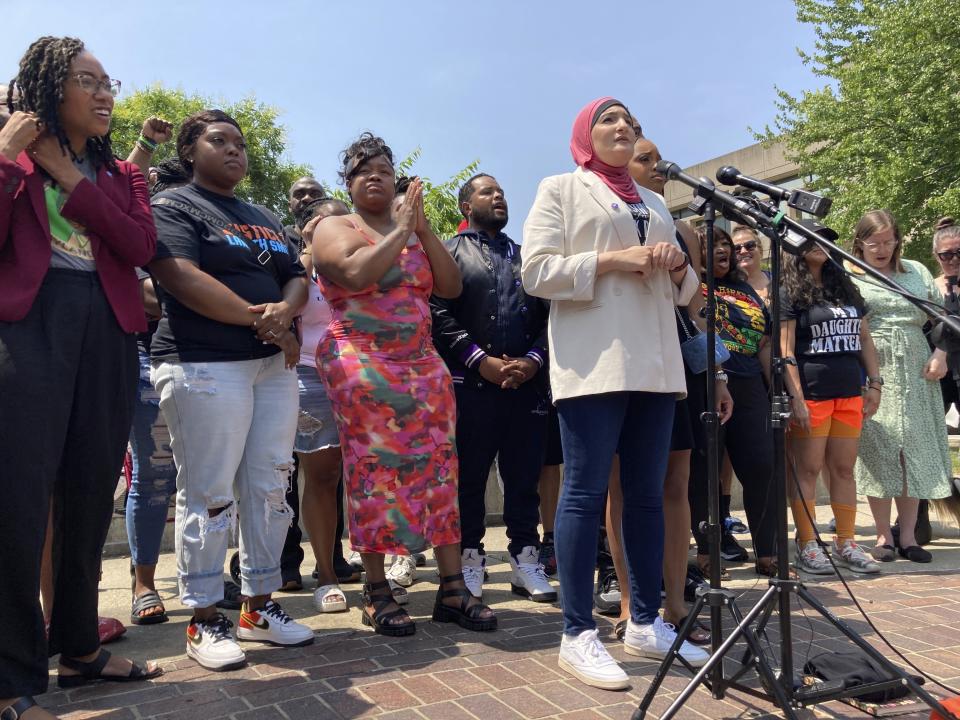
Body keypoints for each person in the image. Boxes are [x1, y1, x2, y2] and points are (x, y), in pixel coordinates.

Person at [521, 97, 707, 691]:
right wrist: (610, 259)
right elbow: (535, 271)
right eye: (610, 120)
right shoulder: (560, 189)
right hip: (595, 364)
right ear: (586, 135)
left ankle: (646, 621)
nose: (624, 127)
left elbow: (689, 294)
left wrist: (679, 268)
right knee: (583, 492)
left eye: (631, 121)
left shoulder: (655, 200)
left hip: (655, 362)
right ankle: (577, 632)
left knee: (648, 495)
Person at [1, 36, 161, 716]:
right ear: (47, 87)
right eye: (86, 80)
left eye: (108, 81)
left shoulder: (119, 174)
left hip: (108, 326)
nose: (104, 94)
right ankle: (11, 675)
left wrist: (69, 178)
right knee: (19, 500)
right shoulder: (9, 148)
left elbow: (140, 245)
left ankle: (78, 648)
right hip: (28, 326)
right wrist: (11, 155)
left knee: (91, 490)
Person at [312, 133, 496, 637]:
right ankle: (376, 592)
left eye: (384, 169)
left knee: (441, 468)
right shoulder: (334, 226)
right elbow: (354, 273)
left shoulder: (414, 229)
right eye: (363, 169)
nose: (376, 175)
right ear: (347, 182)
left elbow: (452, 286)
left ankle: (453, 588)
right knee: (373, 470)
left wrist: (425, 230)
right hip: (361, 362)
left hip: (421, 364)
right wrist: (398, 231)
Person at [149, 109, 314, 671]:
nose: (235, 151)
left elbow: (296, 273)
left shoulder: (263, 214)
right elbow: (179, 276)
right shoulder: (173, 205)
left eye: (241, 144)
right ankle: (203, 617)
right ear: (191, 151)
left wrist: (287, 310)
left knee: (271, 486)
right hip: (204, 363)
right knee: (210, 491)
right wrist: (260, 319)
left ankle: (259, 607)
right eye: (220, 141)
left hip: (271, 367)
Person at [600, 135, 733, 646]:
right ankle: (634, 602)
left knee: (676, 485)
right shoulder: (599, 217)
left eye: (657, 159)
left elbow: (695, 307)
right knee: (621, 489)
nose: (658, 168)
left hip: (673, 364)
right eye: (645, 160)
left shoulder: (679, 229)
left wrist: (717, 374)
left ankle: (674, 602)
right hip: (616, 364)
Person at [431, 173, 555, 602]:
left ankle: (524, 557)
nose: (499, 197)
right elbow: (436, 313)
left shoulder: (528, 257)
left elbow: (550, 318)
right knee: (468, 479)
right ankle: (469, 558)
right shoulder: (448, 253)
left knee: (523, 478)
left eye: (502, 191)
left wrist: (533, 361)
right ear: (467, 205)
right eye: (488, 192)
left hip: (526, 387)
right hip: (469, 387)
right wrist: (478, 361)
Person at [849, 210, 953, 563]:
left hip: (916, 364)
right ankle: (882, 537)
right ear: (859, 243)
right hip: (873, 364)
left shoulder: (916, 271)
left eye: (889, 241)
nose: (882, 249)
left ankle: (908, 536)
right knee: (879, 449)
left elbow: (944, 319)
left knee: (913, 450)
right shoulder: (851, 274)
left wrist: (941, 354)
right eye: (874, 242)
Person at [781, 220, 882, 574]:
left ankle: (846, 541)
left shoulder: (845, 288)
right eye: (811, 239)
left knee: (843, 469)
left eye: (826, 240)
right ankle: (807, 543)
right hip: (811, 394)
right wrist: (795, 397)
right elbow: (785, 348)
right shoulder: (788, 290)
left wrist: (875, 383)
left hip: (848, 393)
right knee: (807, 469)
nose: (820, 245)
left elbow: (865, 338)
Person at [689, 227, 781, 577]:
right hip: (707, 384)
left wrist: (775, 387)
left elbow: (765, 342)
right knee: (705, 473)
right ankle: (707, 552)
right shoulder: (691, 288)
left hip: (750, 386)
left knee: (762, 466)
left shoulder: (746, 288)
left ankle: (768, 552)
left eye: (724, 243)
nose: (722, 249)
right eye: (711, 245)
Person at [292, 195, 356, 613]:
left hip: (359, 373)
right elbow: (289, 303)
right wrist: (308, 254)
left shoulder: (357, 262)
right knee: (320, 472)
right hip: (308, 374)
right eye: (328, 224)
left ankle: (372, 568)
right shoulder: (300, 267)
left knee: (359, 472)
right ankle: (326, 574)